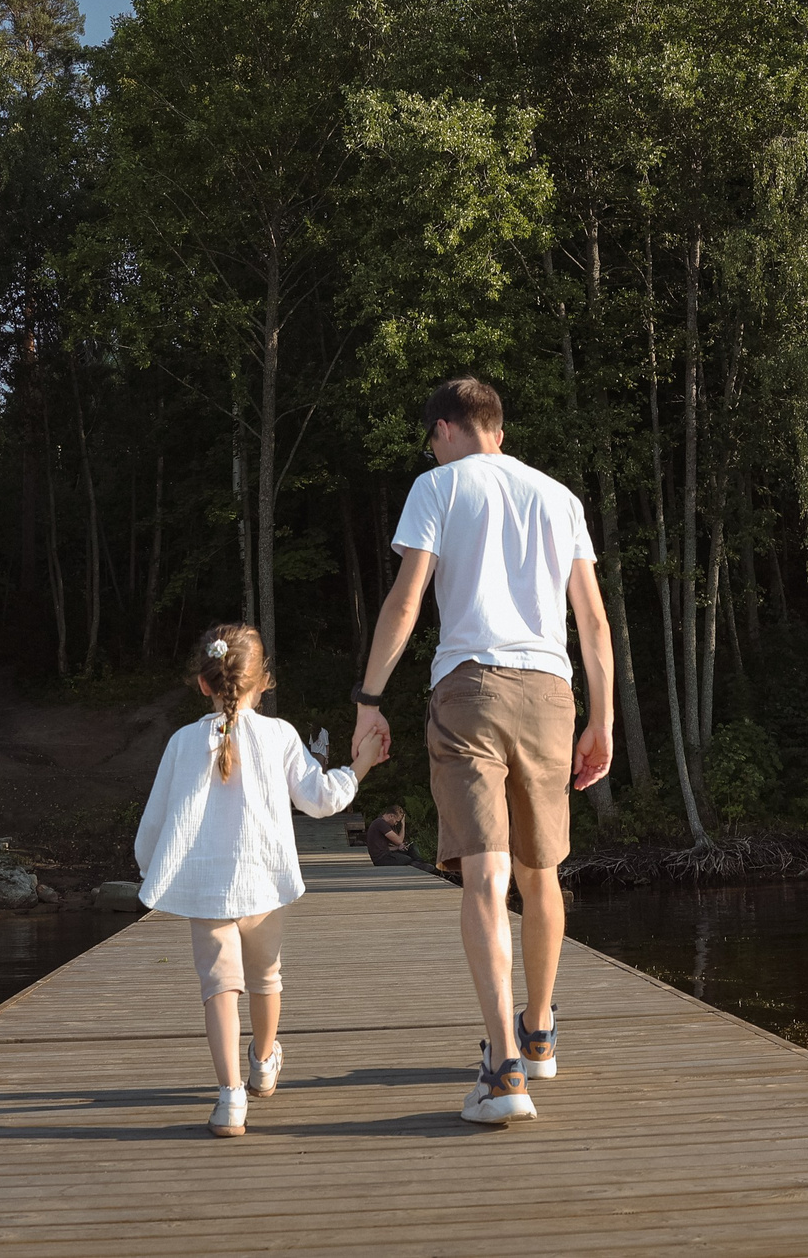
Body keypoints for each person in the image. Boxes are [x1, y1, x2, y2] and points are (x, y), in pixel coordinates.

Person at [353, 377, 613, 1126]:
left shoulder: (438, 486)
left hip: (470, 687)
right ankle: (538, 1034)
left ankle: (503, 1073)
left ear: (445, 428)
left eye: (430, 437)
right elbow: (592, 624)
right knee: (542, 869)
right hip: (552, 691)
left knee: (484, 870)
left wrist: (369, 700)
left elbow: (407, 600)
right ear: (496, 425)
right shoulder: (560, 496)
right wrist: (602, 719)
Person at [134, 623, 384, 1138]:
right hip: (265, 883)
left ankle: (230, 1100)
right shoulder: (280, 735)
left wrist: (150, 868)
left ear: (204, 684)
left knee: (220, 987)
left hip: (207, 888)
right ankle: (265, 1062)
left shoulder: (182, 743)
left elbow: (156, 822)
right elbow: (320, 800)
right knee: (266, 977)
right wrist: (359, 767)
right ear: (262, 681)